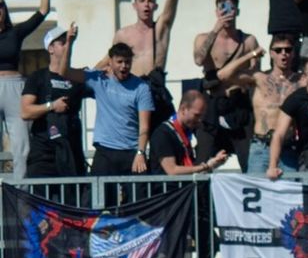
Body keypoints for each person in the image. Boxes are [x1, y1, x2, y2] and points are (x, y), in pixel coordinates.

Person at [106, 0, 178, 121]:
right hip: (131, 92)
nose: (146, 5)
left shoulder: (160, 28)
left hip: (156, 92)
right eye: (142, 1)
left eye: (150, 1)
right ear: (134, 6)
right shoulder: (123, 34)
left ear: (155, 6)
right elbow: (110, 63)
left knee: (163, 141)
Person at [216, 34, 302, 175]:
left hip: (287, 147)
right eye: (278, 50)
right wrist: (252, 54)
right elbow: (223, 75)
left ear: (293, 53)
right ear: (271, 54)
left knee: (289, 194)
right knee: (257, 191)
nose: (284, 54)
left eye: (288, 50)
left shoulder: (300, 80)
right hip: (261, 147)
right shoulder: (259, 78)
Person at [193, 0, 259, 169]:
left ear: (237, 11)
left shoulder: (248, 41)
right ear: (216, 11)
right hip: (212, 104)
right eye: (222, 8)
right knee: (203, 160)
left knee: (249, 161)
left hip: (238, 104)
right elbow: (199, 60)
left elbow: (256, 76)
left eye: (231, 8)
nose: (227, 13)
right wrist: (216, 28)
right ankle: (200, 195)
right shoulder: (203, 38)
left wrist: (233, 76)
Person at [0, 0, 50, 179]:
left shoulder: (15, 33)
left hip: (14, 88)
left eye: (0, 6)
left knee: (21, 146)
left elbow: (42, 12)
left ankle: (20, 198)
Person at [20, 25, 88, 181]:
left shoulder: (76, 77)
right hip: (44, 154)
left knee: (72, 202)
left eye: (69, 42)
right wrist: (51, 106)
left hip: (71, 152)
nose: (67, 45)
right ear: (50, 48)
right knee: (42, 203)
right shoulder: (38, 77)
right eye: (63, 42)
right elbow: (25, 111)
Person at [82, 43, 153, 180]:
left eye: (127, 62)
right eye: (119, 61)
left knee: (140, 196)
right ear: (111, 61)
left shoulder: (141, 87)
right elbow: (66, 72)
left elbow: (144, 126)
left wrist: (140, 152)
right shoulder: (100, 80)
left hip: (131, 151)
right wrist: (69, 43)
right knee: (99, 196)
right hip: (105, 150)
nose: (124, 66)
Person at [151, 89, 228, 177]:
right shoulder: (163, 133)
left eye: (202, 116)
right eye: (197, 115)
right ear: (183, 109)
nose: (200, 120)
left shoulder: (186, 132)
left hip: (185, 189)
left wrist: (212, 164)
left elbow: (190, 168)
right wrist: (205, 166)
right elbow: (172, 170)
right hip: (169, 190)